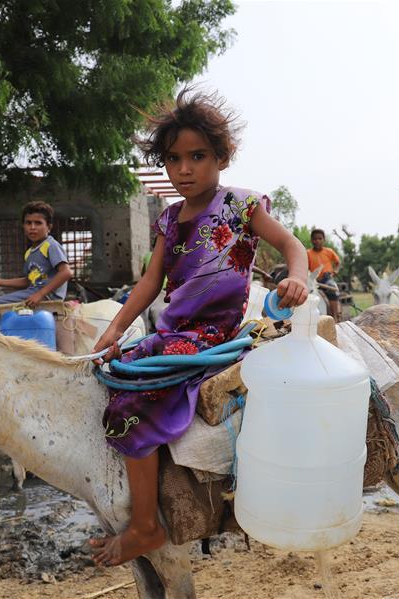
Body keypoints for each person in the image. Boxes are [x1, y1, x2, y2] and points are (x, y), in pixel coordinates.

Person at [89, 89, 309, 567]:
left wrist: (297, 276)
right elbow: (151, 282)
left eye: (197, 157)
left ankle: (146, 526)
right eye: (173, 159)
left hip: (211, 337)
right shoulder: (169, 219)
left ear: (221, 157)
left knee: (132, 401)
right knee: (113, 369)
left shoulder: (243, 207)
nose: (184, 169)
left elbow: (292, 245)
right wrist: (114, 330)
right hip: (172, 332)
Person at [0, 201, 72, 325]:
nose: (32, 227)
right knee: (0, 314)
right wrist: (1, 282)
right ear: (23, 226)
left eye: (38, 223)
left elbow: (66, 272)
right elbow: (29, 281)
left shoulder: (50, 245)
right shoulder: (30, 253)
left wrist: (40, 294)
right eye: (28, 223)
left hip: (47, 296)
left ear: (49, 226)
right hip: (33, 292)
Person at [307, 228, 341, 320]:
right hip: (314, 280)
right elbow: (306, 268)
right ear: (311, 240)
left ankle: (334, 317)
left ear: (324, 240)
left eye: (320, 238)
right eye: (315, 239)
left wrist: (336, 270)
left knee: (332, 289)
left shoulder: (329, 251)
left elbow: (338, 262)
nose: (317, 241)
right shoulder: (308, 253)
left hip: (327, 279)